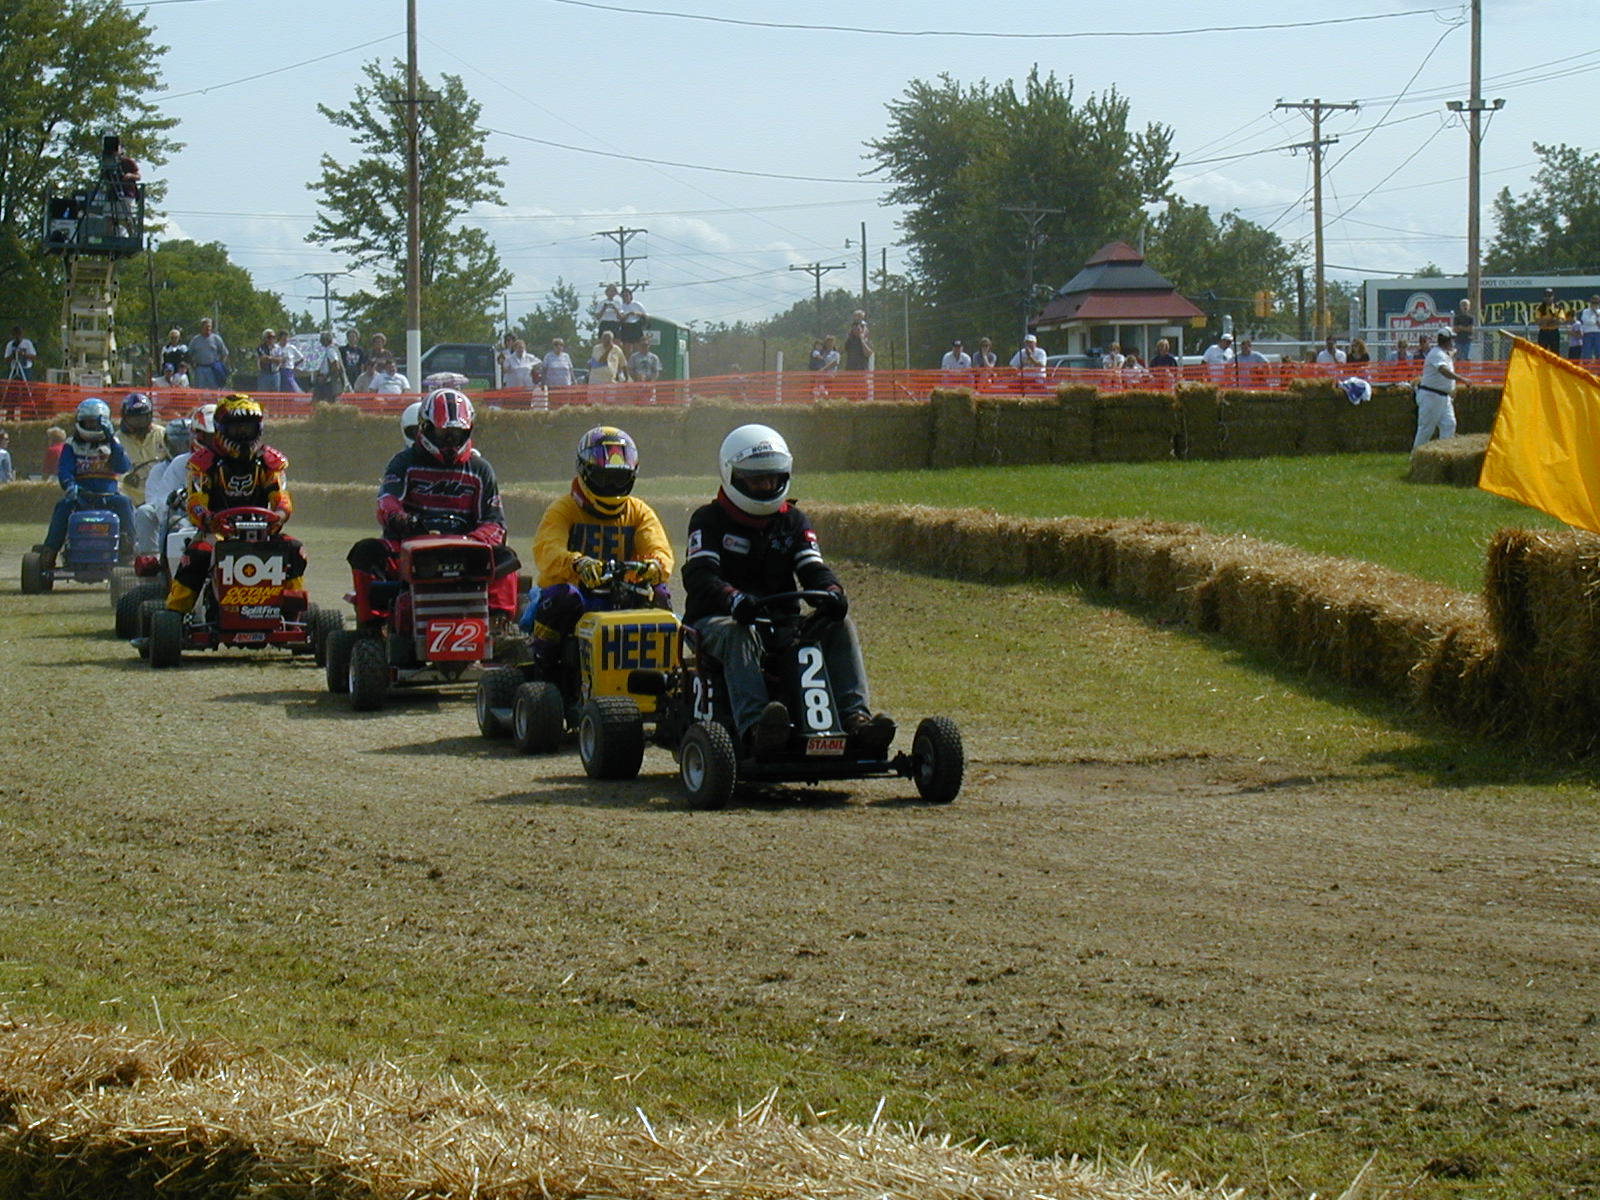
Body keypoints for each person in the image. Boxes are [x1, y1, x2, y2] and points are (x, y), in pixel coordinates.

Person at [682, 423, 894, 754]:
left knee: (840, 626)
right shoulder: (709, 520)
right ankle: (756, 727)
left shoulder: (793, 520)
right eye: (756, 478)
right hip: (719, 621)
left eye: (773, 477)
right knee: (738, 631)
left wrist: (832, 592)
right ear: (733, 476)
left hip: (781, 620)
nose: (767, 485)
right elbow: (700, 577)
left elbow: (812, 569)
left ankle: (855, 720)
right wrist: (734, 599)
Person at [346, 388, 522, 642]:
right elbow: (387, 501)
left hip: (466, 548)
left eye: (456, 434)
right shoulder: (404, 462)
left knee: (507, 557)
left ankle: (496, 624)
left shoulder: (480, 469)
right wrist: (403, 520)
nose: (450, 441)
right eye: (443, 433)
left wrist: (472, 540)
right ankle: (374, 626)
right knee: (365, 552)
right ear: (426, 428)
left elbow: (495, 522)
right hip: (411, 545)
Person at [521, 426, 673, 666]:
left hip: (622, 593)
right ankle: (546, 665)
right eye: (605, 478)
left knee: (660, 594)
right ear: (586, 471)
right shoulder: (564, 509)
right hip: (578, 594)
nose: (612, 485)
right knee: (564, 598)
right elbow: (547, 551)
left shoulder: (639, 512)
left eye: (618, 478)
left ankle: (661, 670)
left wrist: (654, 565)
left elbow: (659, 550)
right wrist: (577, 563)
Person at [166, 394, 303, 613]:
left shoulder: (268, 462)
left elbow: (281, 497)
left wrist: (279, 514)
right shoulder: (204, 463)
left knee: (295, 550)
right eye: (236, 429)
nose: (242, 435)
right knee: (197, 555)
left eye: (247, 428)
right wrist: (209, 519)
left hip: (261, 530)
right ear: (221, 429)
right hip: (218, 530)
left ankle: (294, 611)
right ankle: (175, 611)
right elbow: (196, 502)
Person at [40, 398, 137, 568]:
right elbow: (65, 469)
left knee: (125, 503)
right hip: (81, 497)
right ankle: (50, 551)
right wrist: (69, 485)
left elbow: (123, 467)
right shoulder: (71, 445)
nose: (91, 426)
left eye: (95, 422)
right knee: (62, 507)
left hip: (109, 497)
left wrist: (112, 442)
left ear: (105, 423)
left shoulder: (114, 444)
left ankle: (128, 548)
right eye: (88, 422)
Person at [132, 415, 199, 555]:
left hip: (201, 514)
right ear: (167, 444)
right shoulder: (159, 469)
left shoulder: (204, 465)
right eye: (177, 445)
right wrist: (175, 509)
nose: (180, 449)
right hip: (175, 514)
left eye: (184, 444)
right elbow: (157, 502)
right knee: (145, 512)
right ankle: (153, 558)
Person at [1413, 330, 1466, 452]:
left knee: (1449, 424)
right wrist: (1462, 379)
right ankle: (1416, 457)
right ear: (1446, 340)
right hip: (1431, 396)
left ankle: (1443, 454)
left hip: (1443, 397)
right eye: (1451, 339)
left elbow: (1449, 355)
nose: (1453, 342)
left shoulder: (1443, 353)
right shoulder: (1436, 354)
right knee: (1426, 430)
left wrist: (1453, 353)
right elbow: (1443, 370)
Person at [117, 392, 168, 506]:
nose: (139, 424)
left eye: (142, 418)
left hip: (160, 499)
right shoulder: (117, 440)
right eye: (134, 419)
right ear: (125, 418)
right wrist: (126, 478)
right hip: (131, 501)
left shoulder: (162, 434)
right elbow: (114, 475)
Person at [188, 318, 229, 388]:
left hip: (213, 369)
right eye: (206, 327)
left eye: (210, 326)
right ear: (202, 327)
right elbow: (189, 354)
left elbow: (225, 353)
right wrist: (192, 365)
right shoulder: (195, 340)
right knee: (199, 391)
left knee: (213, 391)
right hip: (199, 368)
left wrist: (220, 365)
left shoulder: (216, 338)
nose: (208, 328)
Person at [308, 330, 345, 402]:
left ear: (327, 340)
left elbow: (335, 365)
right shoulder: (326, 350)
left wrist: (326, 376)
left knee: (324, 401)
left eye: (322, 339)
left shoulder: (330, 350)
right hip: (324, 379)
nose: (320, 341)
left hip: (328, 381)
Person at [1534, 288, 1567, 355]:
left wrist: (1548, 322)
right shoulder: (1540, 308)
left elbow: (1562, 320)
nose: (1548, 298)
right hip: (1543, 332)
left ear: (1553, 296)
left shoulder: (1558, 307)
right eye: (1546, 296)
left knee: (1555, 353)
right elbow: (1538, 321)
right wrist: (1552, 320)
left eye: (1549, 296)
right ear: (1544, 297)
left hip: (1554, 332)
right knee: (1542, 352)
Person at [1580, 294, 1600, 362]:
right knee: (1587, 353)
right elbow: (1585, 321)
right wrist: (1595, 322)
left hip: (1598, 334)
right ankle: (1587, 370)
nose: (1594, 304)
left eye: (1596, 303)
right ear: (1590, 303)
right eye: (1593, 303)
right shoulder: (1586, 311)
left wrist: (1597, 315)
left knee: (1598, 352)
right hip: (1587, 334)